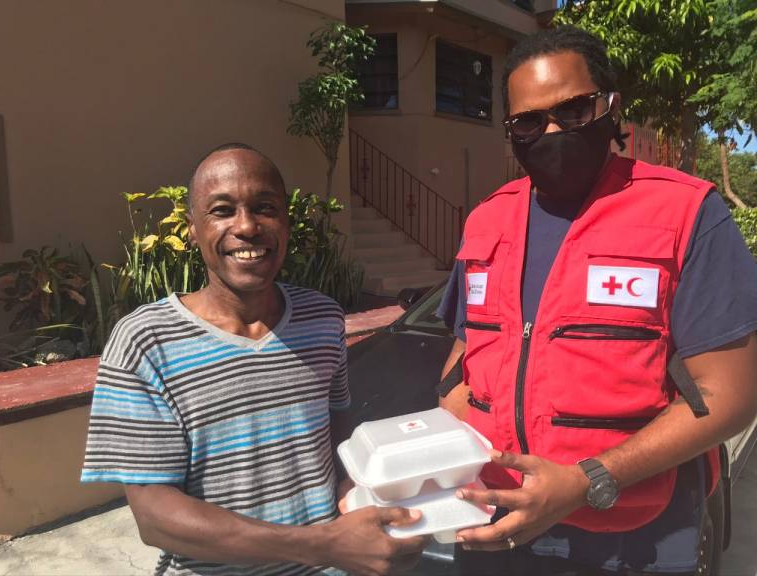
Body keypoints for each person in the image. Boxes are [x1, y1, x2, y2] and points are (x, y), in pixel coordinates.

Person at [436, 26, 757, 575]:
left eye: (575, 110)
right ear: (511, 132)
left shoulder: (687, 213)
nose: (553, 130)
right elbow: (467, 356)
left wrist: (588, 480)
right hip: (499, 521)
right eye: (530, 121)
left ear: (611, 109)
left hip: (636, 536)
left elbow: (732, 394)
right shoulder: (487, 219)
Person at [81, 144, 426, 576]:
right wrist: (323, 545)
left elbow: (335, 428)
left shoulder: (322, 317)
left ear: (286, 220)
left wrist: (358, 487)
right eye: (222, 210)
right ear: (192, 228)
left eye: (265, 207)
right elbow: (155, 516)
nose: (246, 226)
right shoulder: (146, 341)